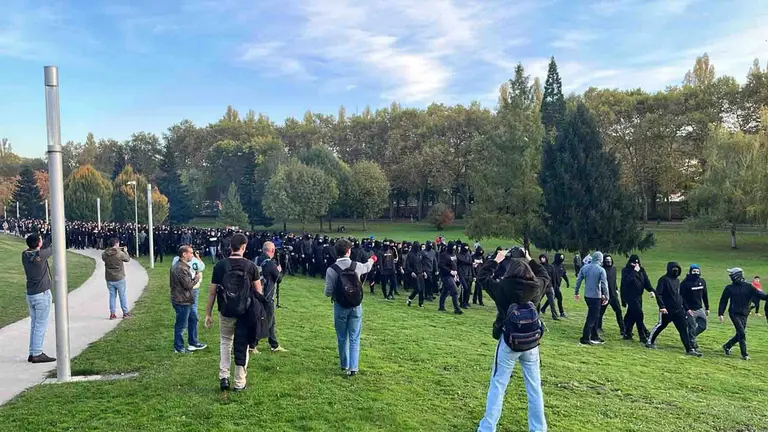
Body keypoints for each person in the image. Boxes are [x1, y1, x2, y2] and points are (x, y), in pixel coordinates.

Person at [476, 247, 549, 432]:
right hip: (531, 341)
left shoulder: (501, 287)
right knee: (534, 388)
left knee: (498, 385)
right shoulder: (537, 287)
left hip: (508, 340)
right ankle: (539, 429)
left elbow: (482, 277)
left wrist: (496, 259)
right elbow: (545, 275)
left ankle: (487, 428)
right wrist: (530, 259)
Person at [205, 233, 263, 391]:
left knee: (225, 342)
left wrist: (208, 313)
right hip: (245, 312)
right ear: (244, 247)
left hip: (225, 309)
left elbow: (212, 292)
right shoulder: (251, 266)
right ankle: (239, 382)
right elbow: (259, 291)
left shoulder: (220, 265)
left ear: (230, 246)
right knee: (242, 344)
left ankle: (224, 376)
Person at [324, 239, 375, 377]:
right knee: (354, 337)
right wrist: (371, 260)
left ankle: (344, 363)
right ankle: (353, 367)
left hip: (340, 306)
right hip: (355, 305)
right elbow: (367, 267)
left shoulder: (331, 269)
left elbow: (327, 292)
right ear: (349, 251)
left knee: (342, 337)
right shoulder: (356, 265)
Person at [646, 262, 702, 356]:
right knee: (661, 325)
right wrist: (662, 307)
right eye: (673, 268)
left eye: (677, 268)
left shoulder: (677, 281)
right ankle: (649, 342)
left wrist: (686, 308)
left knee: (684, 329)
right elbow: (658, 294)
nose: (675, 270)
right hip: (667, 309)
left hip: (679, 310)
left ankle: (689, 349)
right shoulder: (663, 280)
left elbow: (680, 295)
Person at [719, 268, 768, 360]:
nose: (730, 276)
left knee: (740, 333)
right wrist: (720, 313)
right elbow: (723, 301)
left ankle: (727, 346)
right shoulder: (729, 288)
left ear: (737, 275)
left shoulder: (749, 287)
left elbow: (762, 296)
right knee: (742, 332)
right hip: (734, 313)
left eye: (732, 274)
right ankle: (744, 354)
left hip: (745, 313)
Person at [22, 233, 56, 363]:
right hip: (42, 294)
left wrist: (42, 241)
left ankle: (32, 352)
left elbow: (40, 249)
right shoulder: (40, 256)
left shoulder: (25, 255)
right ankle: (37, 353)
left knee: (34, 325)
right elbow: (53, 248)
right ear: (38, 243)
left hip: (31, 294)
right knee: (41, 325)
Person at [171, 248, 208, 352]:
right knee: (181, 325)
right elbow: (188, 285)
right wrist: (197, 277)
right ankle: (179, 348)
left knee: (193, 317)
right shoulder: (180, 268)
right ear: (184, 254)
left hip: (185, 298)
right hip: (182, 299)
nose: (192, 255)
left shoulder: (182, 265)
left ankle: (193, 342)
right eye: (190, 253)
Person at [254, 241, 286, 353]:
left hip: (256, 294)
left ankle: (274, 344)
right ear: (272, 251)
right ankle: (252, 344)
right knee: (266, 321)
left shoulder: (256, 259)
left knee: (271, 321)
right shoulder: (270, 264)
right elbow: (279, 279)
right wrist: (279, 271)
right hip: (267, 296)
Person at [574, 251, 609, 345]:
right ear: (600, 259)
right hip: (595, 296)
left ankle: (594, 336)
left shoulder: (584, 268)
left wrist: (576, 292)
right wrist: (606, 296)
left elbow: (578, 281)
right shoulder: (601, 270)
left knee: (595, 316)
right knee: (592, 317)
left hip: (587, 295)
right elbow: (604, 284)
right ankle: (585, 338)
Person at [620, 255, 655, 343]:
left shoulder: (642, 270)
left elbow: (646, 282)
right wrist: (634, 272)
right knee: (639, 314)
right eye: (633, 263)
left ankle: (627, 333)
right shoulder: (626, 270)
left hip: (639, 296)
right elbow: (626, 282)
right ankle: (642, 335)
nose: (635, 265)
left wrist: (651, 290)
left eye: (637, 263)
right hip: (630, 296)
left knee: (632, 315)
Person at [101, 238, 132, 320]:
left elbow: (103, 257)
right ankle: (125, 313)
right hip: (119, 277)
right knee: (122, 295)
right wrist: (125, 251)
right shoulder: (119, 254)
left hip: (109, 277)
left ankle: (112, 313)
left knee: (112, 296)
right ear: (116, 244)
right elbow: (127, 259)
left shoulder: (105, 254)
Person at [680, 264, 709, 351]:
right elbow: (681, 297)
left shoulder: (702, 281)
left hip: (699, 308)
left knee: (703, 326)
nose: (696, 273)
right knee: (692, 326)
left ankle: (689, 337)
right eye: (694, 271)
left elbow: (705, 295)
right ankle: (692, 344)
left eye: (697, 271)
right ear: (690, 272)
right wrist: (687, 309)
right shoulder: (685, 283)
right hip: (690, 309)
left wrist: (707, 307)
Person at [597, 254, 624, 337]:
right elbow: (599, 282)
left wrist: (616, 289)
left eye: (610, 259)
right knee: (600, 312)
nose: (608, 261)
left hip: (613, 295)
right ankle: (598, 327)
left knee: (618, 311)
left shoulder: (614, 269)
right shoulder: (601, 270)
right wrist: (601, 294)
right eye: (607, 260)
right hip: (605, 295)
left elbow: (614, 280)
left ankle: (623, 329)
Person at [438, 241, 463, 315]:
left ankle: (441, 307)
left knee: (445, 292)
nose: (454, 249)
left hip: (453, 275)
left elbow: (455, 264)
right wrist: (450, 271)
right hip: (446, 275)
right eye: (453, 248)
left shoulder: (454, 254)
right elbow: (441, 265)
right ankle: (457, 309)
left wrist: (456, 273)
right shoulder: (444, 255)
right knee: (455, 291)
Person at [537, 254, 559, 321]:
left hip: (549, 286)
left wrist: (555, 286)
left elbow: (554, 277)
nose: (542, 259)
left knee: (552, 302)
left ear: (546, 258)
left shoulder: (551, 267)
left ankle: (554, 315)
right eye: (541, 258)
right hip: (542, 286)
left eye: (543, 258)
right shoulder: (539, 266)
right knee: (537, 301)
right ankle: (536, 315)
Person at [405, 241, 426, 308]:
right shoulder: (410, 254)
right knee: (417, 288)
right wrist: (411, 272)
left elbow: (422, 263)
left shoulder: (420, 253)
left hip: (420, 273)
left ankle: (421, 303)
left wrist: (424, 271)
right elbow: (407, 265)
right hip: (414, 273)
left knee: (422, 289)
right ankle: (410, 298)